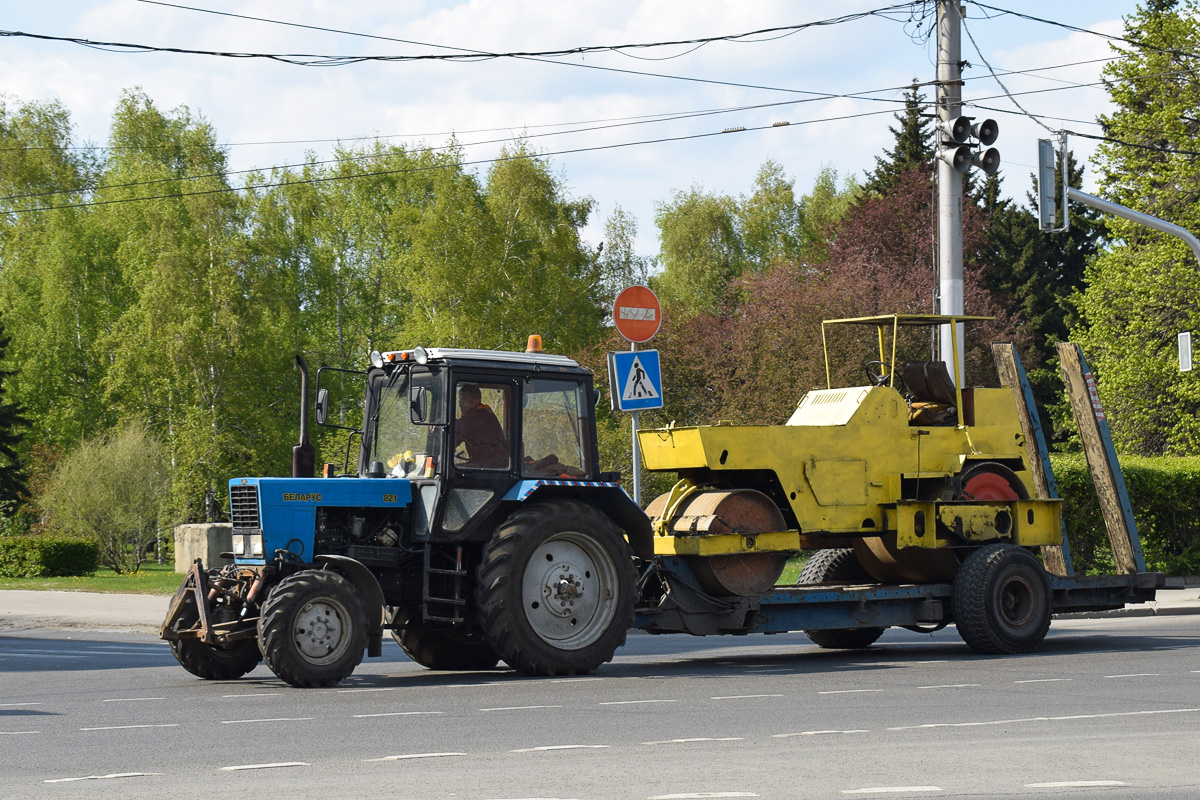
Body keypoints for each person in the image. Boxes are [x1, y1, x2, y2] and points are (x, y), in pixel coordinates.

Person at [454, 384, 507, 468]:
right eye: (460, 398)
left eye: (463, 399)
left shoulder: (479, 417)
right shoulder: (479, 415)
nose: (460, 402)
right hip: (486, 463)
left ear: (475, 402)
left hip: (492, 466)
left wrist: (440, 422)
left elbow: (457, 429)